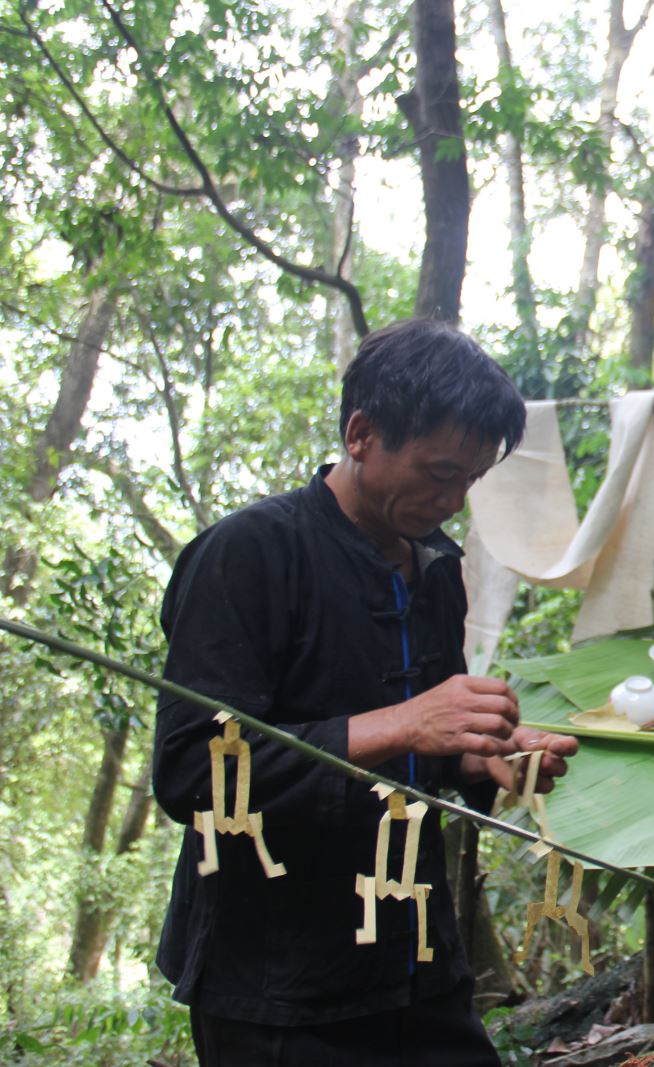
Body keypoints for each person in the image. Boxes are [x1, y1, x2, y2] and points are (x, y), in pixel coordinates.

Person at [152, 318, 579, 1065]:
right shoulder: (249, 553)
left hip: (413, 956)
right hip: (279, 988)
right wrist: (404, 723)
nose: (452, 498)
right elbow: (193, 773)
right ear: (360, 433)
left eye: (470, 479)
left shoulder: (435, 569)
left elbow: (422, 756)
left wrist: (482, 758)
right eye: (438, 471)